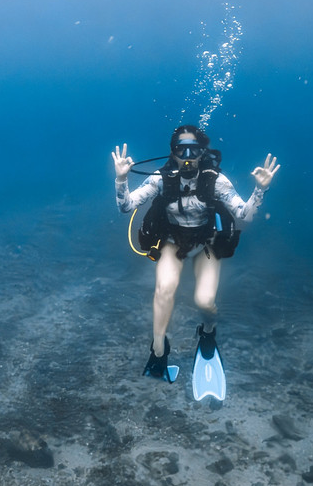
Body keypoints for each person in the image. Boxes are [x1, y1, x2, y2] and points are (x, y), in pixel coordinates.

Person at [112, 125, 281, 397]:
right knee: (164, 290)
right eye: (181, 149)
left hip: (206, 242)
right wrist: (121, 179)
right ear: (172, 152)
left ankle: (208, 332)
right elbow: (126, 206)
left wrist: (260, 190)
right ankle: (158, 351)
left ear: (203, 152)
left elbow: (244, 215)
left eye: (194, 150)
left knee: (205, 302)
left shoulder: (217, 180)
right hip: (171, 241)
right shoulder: (160, 178)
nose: (188, 156)